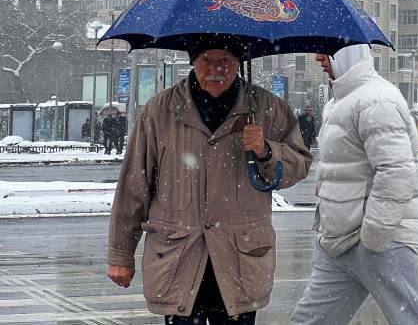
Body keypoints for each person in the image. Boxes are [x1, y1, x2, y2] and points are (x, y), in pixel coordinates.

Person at [106, 35, 312, 324]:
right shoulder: (159, 112)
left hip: (239, 260)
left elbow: (299, 165)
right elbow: (133, 188)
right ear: (193, 62)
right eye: (207, 60)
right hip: (180, 258)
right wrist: (120, 255)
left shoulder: (267, 109)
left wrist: (267, 151)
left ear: (239, 64)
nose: (217, 69)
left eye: (226, 60)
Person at [291, 44, 418, 325]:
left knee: (417, 320)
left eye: (325, 50)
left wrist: (374, 238)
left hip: (379, 241)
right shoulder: (338, 101)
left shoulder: (377, 100)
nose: (317, 58)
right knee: (310, 321)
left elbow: (396, 172)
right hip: (338, 242)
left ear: (347, 51)